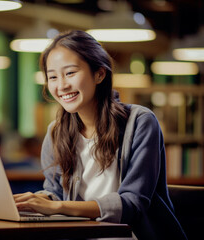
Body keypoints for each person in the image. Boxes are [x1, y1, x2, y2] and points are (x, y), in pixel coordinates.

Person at [13, 30, 187, 240]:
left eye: (70, 73)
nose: (61, 85)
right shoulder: (55, 131)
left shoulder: (141, 121)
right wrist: (30, 202)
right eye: (52, 77)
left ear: (99, 74)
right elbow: (56, 193)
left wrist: (56, 205)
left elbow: (133, 204)